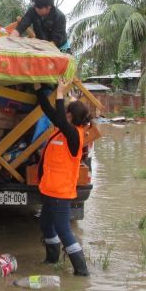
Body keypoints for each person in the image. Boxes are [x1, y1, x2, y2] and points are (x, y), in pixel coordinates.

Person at [35, 77, 91, 276]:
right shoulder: (61, 131)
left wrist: (60, 93)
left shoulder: (74, 135)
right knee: (45, 224)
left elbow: (58, 115)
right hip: (50, 190)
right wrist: (38, 88)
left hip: (61, 192)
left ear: (70, 116)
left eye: (66, 111)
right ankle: (52, 260)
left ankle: (81, 270)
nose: (63, 114)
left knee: (63, 229)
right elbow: (49, 110)